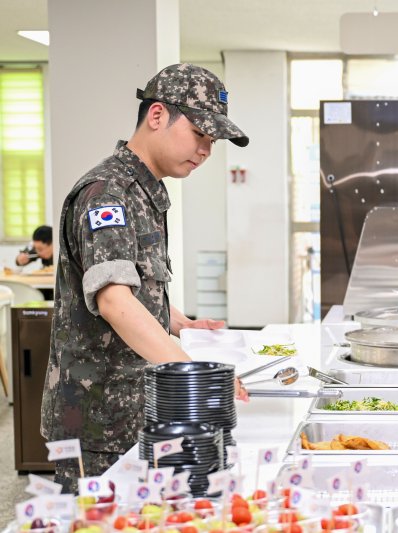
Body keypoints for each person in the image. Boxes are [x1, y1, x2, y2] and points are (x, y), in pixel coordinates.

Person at [41, 64, 249, 492]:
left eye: (212, 141)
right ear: (157, 115)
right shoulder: (108, 194)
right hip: (97, 421)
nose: (206, 150)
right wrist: (195, 375)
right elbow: (114, 301)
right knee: (97, 520)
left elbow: (134, 287)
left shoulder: (142, 192)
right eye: (199, 133)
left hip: (133, 409)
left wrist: (179, 322)